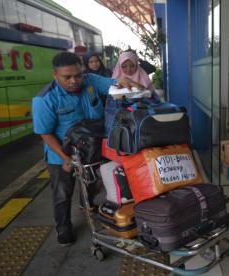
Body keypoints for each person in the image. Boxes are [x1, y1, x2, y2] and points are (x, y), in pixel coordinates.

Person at [32, 52, 143, 246]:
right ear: (55, 75)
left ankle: (86, 203)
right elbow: (45, 134)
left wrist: (125, 83)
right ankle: (63, 228)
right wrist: (66, 159)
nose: (74, 81)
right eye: (67, 77)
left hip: (92, 149)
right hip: (62, 155)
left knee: (93, 183)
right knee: (62, 193)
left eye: (78, 75)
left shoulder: (90, 80)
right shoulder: (44, 99)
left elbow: (113, 84)